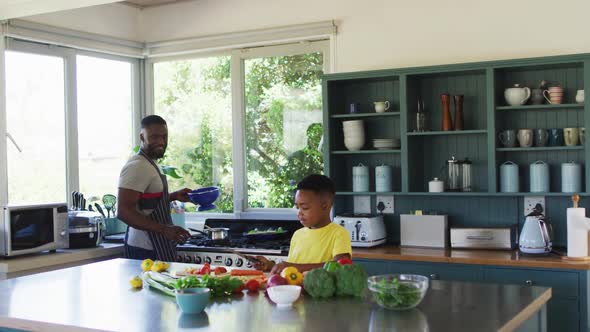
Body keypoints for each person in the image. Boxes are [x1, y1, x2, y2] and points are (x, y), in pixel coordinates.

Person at [117, 115, 191, 261]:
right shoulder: (137, 166)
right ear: (142, 137)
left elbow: (144, 203)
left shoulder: (150, 162)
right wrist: (164, 229)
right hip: (144, 249)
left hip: (156, 245)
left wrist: (174, 196)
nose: (161, 142)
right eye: (154, 137)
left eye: (164, 137)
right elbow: (124, 211)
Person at [253, 174, 352, 274]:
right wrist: (272, 266)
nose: (299, 212)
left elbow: (341, 266)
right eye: (297, 207)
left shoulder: (338, 233)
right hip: (296, 290)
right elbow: (291, 271)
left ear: (325, 206)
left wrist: (293, 267)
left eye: (305, 208)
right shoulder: (297, 235)